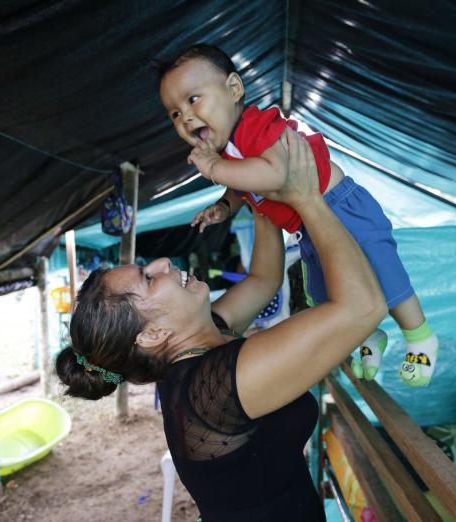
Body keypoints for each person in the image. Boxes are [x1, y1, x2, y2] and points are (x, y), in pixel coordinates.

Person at [57, 129, 386, 521]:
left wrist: (257, 183)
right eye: (148, 277)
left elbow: (263, 279)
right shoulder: (213, 386)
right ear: (152, 334)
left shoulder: (202, 340)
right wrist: (306, 199)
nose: (163, 264)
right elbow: (363, 307)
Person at [157, 43, 438, 386]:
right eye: (173, 113)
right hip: (310, 225)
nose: (184, 116)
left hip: (341, 206)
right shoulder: (230, 153)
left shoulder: (256, 127)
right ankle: (368, 335)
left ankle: (419, 336)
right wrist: (225, 205)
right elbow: (243, 187)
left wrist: (214, 168)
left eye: (192, 99)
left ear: (233, 89)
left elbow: (273, 175)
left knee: (382, 272)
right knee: (327, 292)